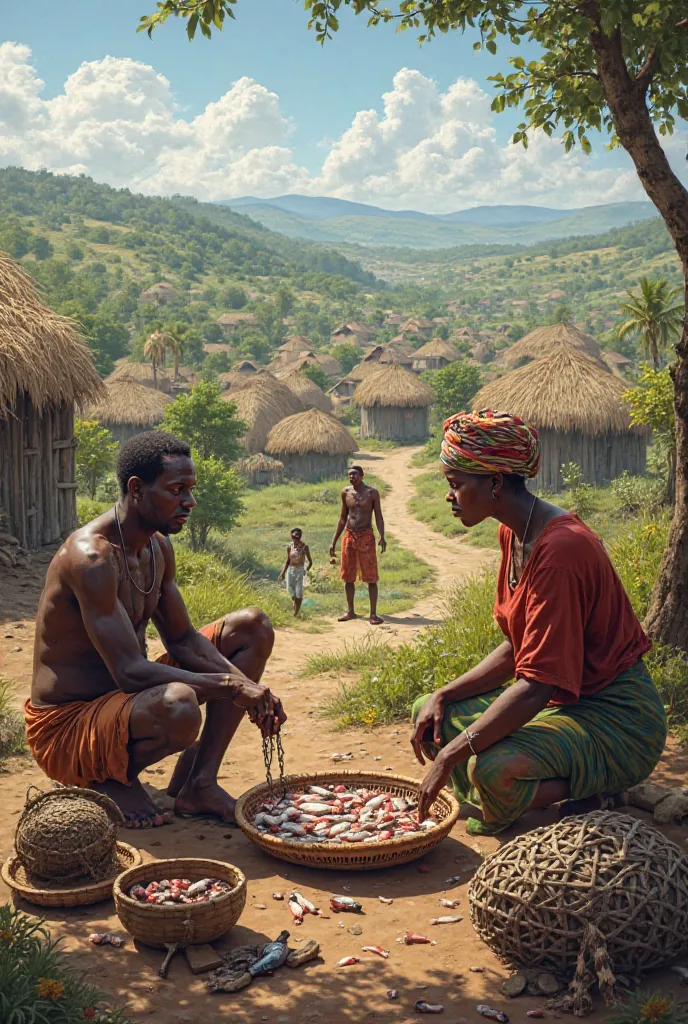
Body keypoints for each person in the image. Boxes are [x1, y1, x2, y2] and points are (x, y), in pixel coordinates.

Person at [411, 409, 667, 835]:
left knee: (491, 768)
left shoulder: (562, 552)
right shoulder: (514, 533)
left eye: (456, 485)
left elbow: (538, 684)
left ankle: (601, 790)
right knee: (431, 713)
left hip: (618, 720)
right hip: (562, 704)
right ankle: (501, 799)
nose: (449, 496)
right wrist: (443, 693)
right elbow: (519, 647)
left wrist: (449, 757)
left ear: (494, 483)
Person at [26, 431, 286, 827]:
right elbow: (130, 671)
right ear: (136, 489)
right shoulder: (90, 558)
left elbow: (182, 639)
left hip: (123, 704)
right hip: (69, 728)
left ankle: (200, 783)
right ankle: (109, 777)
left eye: (191, 489)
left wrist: (249, 687)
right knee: (177, 702)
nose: (190, 502)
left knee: (252, 627)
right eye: (177, 489)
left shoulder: (157, 548)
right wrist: (234, 687)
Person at [329, 465, 386, 625]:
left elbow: (379, 517)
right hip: (349, 534)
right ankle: (350, 611)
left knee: (371, 576)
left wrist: (382, 535)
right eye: (349, 474)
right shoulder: (345, 493)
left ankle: (373, 614)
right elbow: (342, 518)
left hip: (366, 535)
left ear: (362, 475)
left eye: (354, 474)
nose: (351, 477)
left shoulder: (371, 493)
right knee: (348, 576)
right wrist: (333, 541)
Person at [278, 528, 312, 616]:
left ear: (300, 537)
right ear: (291, 536)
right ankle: (296, 606)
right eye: (294, 536)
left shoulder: (305, 547)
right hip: (291, 570)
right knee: (291, 591)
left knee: (299, 593)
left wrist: (306, 570)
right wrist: (282, 573)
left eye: (298, 536)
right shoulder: (290, 547)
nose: (296, 538)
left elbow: (310, 561)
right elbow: (288, 560)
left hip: (300, 570)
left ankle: (296, 613)